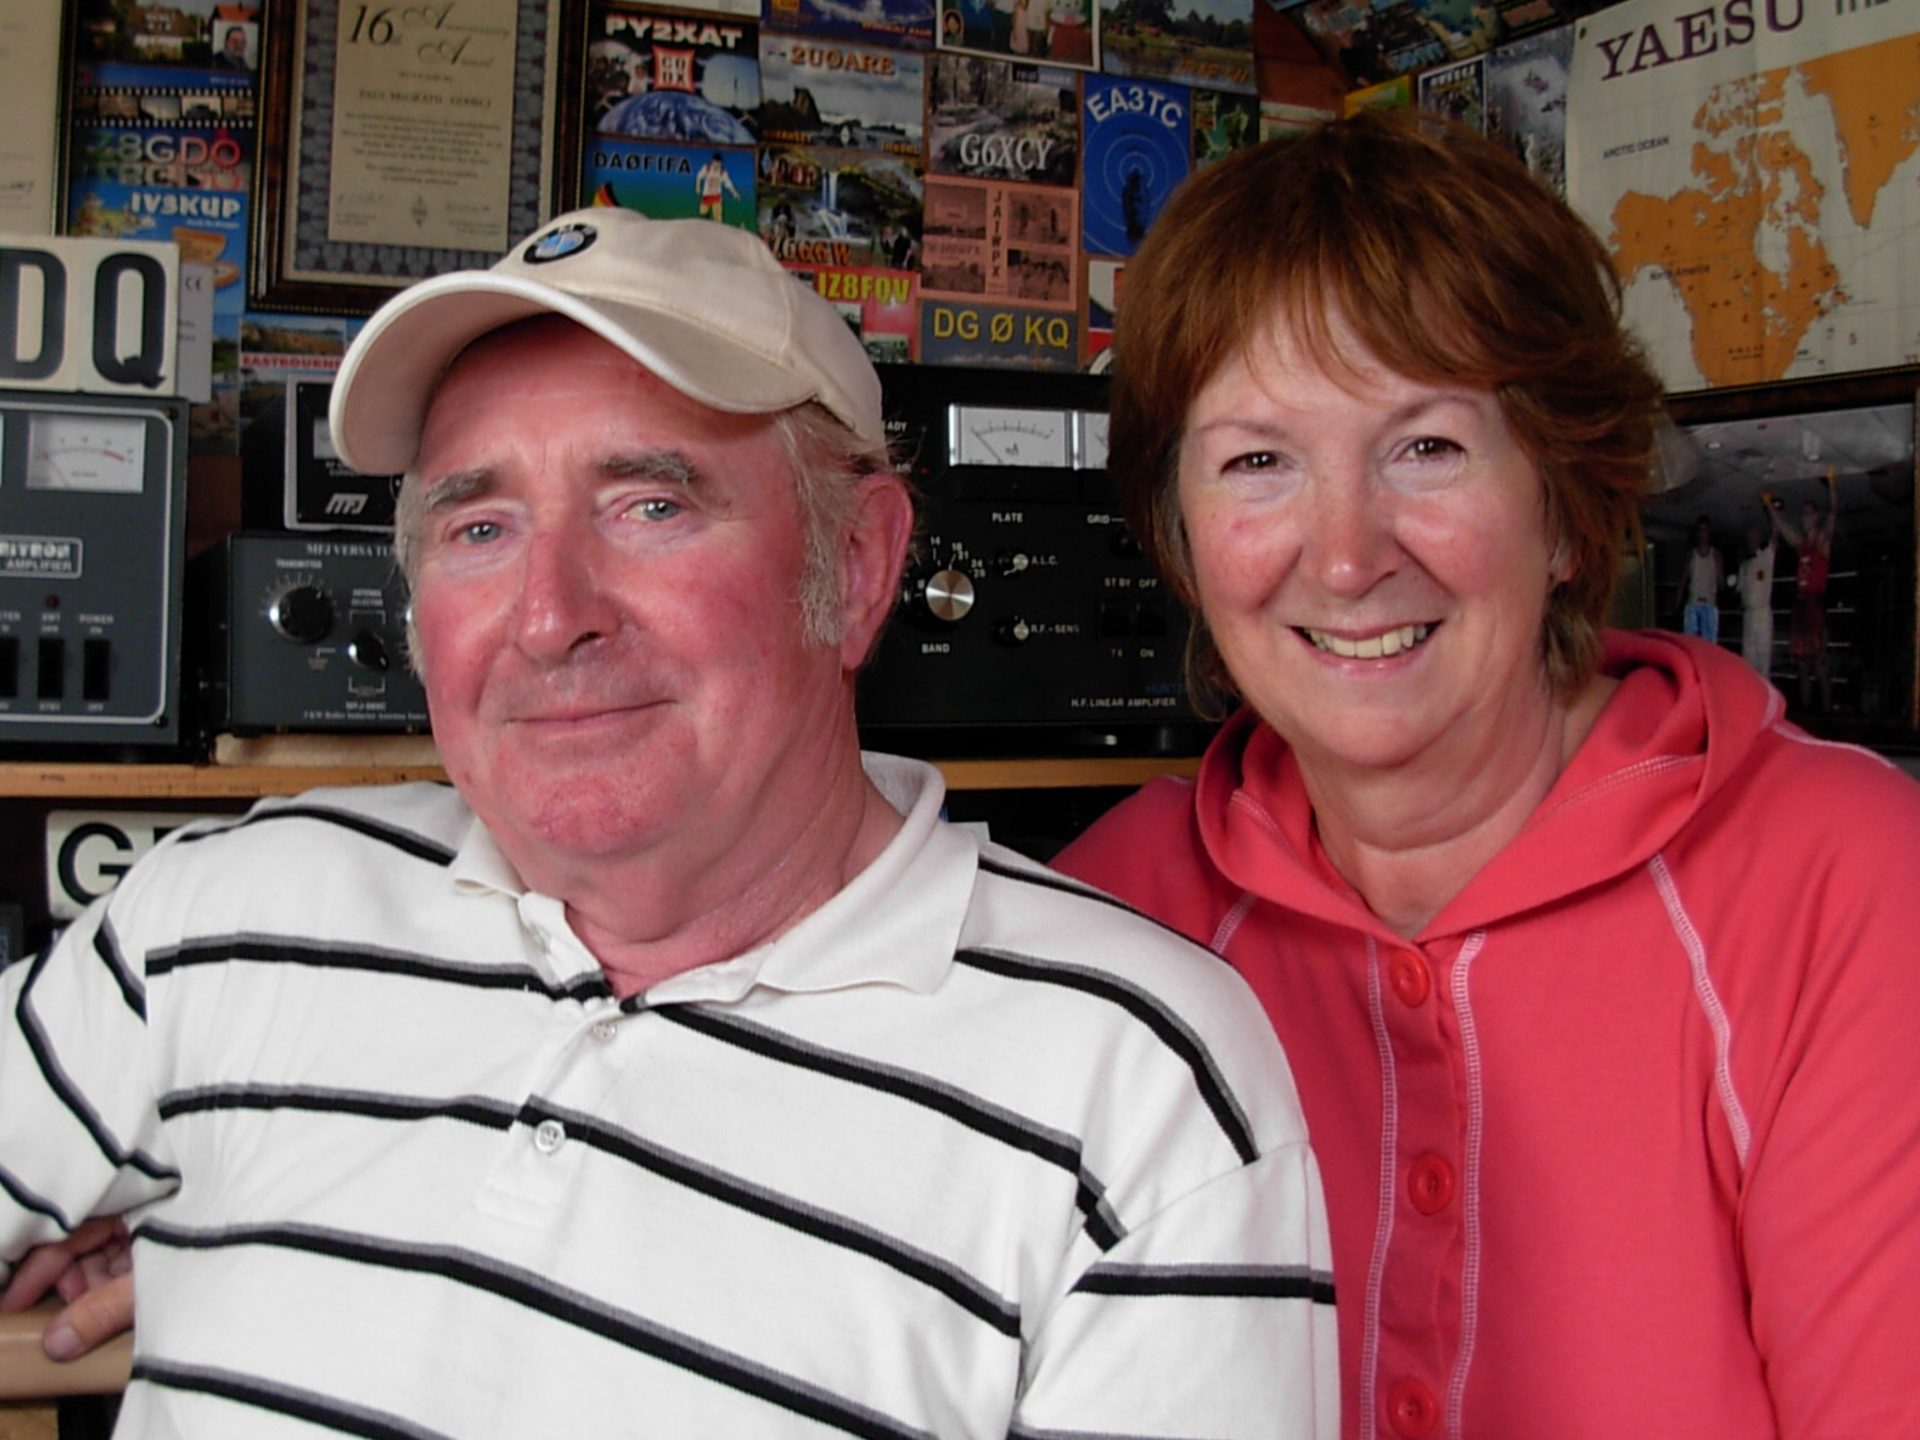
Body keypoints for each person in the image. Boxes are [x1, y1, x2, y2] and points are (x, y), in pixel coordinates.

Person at [0, 209, 1337, 1435]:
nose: (548, 613)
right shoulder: (222, 917)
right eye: (479, 526)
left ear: (860, 564)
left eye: (651, 505)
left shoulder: (1139, 1086)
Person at [1051, 111, 1920, 1439]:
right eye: (1259, 462)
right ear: (1182, 534)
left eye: (1428, 448)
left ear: (1569, 503)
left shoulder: (1846, 879)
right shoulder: (1113, 910)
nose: (1345, 558)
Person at [1768, 472, 1837, 711]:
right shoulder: (1802, 545)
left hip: (1814, 604)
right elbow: (1785, 528)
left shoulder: (1821, 542)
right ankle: (1808, 712)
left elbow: (1833, 516)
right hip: (1800, 605)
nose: (1804, 517)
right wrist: (1771, 508)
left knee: (1819, 662)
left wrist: (1832, 488)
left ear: (1815, 517)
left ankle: (1828, 711)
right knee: (1802, 666)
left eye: (1808, 513)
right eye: (1804, 513)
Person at [1735, 520, 1776, 675]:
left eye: (1753, 538)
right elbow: (1739, 591)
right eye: (1748, 539)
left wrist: (1773, 516)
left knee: (1763, 660)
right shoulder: (1744, 565)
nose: (1751, 541)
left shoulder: (1766, 557)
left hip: (1762, 613)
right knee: (1748, 660)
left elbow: (1775, 538)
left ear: (1759, 538)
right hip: (1748, 616)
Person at [1680, 513, 1722, 642]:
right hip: (1693, 604)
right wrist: (1678, 599)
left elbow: (1721, 580)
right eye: (1700, 530)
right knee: (1691, 643)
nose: (1703, 534)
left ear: (1709, 532)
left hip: (1709, 604)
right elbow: (1684, 579)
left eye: (1705, 530)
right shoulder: (1691, 555)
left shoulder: (1715, 554)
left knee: (1710, 645)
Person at [693, 152, 740, 223]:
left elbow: (728, 184)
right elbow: (699, 177)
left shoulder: (722, 173)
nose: (717, 165)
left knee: (717, 218)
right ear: (712, 161)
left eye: (719, 163)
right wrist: (698, 187)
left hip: (716, 196)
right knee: (703, 217)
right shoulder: (707, 168)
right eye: (716, 163)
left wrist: (734, 193)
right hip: (706, 196)